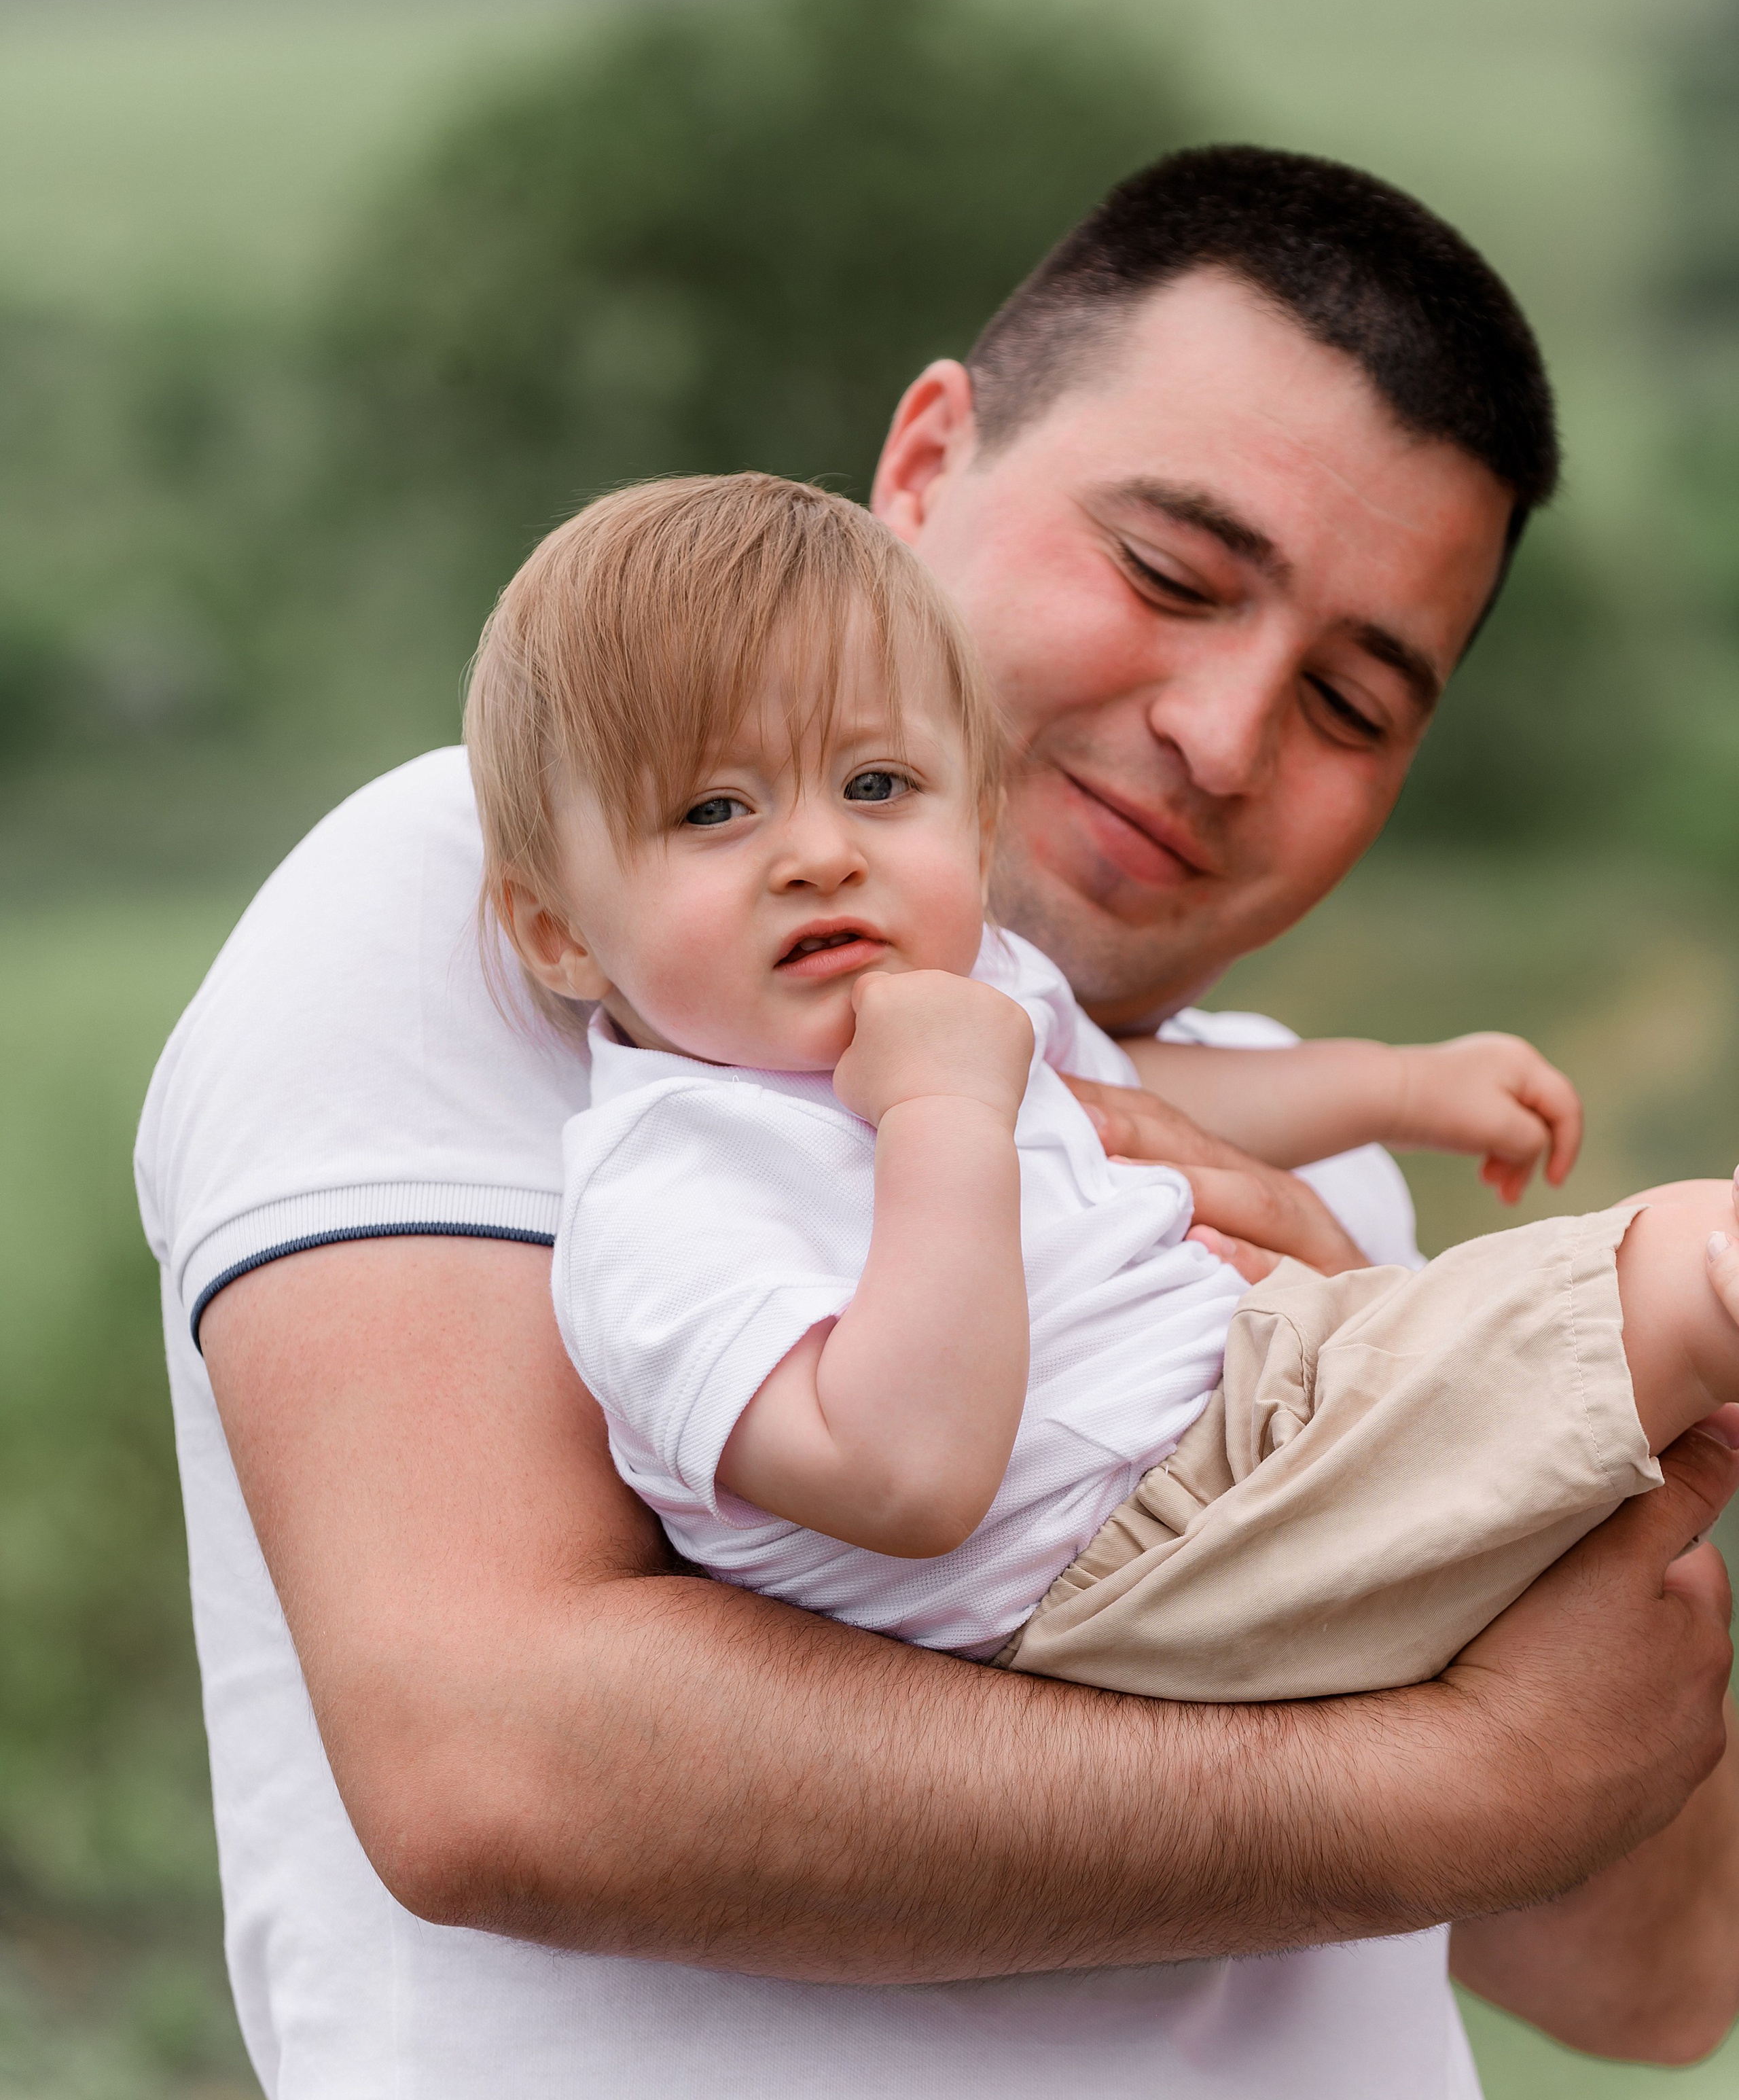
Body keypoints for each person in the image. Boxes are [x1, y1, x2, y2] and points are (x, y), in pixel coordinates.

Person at [136, 147, 1739, 2100]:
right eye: (1168, 574)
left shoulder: (1320, 1184)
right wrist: (1448, 1782)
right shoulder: (498, 917)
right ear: (921, 471)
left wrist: (1507, 1457)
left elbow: (1652, 1973)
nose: (1225, 738)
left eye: (1350, 698)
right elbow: (494, 1764)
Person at [474, 469, 1738, 1702]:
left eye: (876, 786)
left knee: (1654, 1336)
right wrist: (944, 1115)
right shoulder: (667, 1190)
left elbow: (1157, 1113)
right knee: (1686, 1278)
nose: (819, 855)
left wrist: (1401, 1087)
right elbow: (905, 1482)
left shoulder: (971, 996)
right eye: (714, 810)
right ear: (558, 934)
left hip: (1258, 1428)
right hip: (1120, 1570)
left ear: (973, 834)